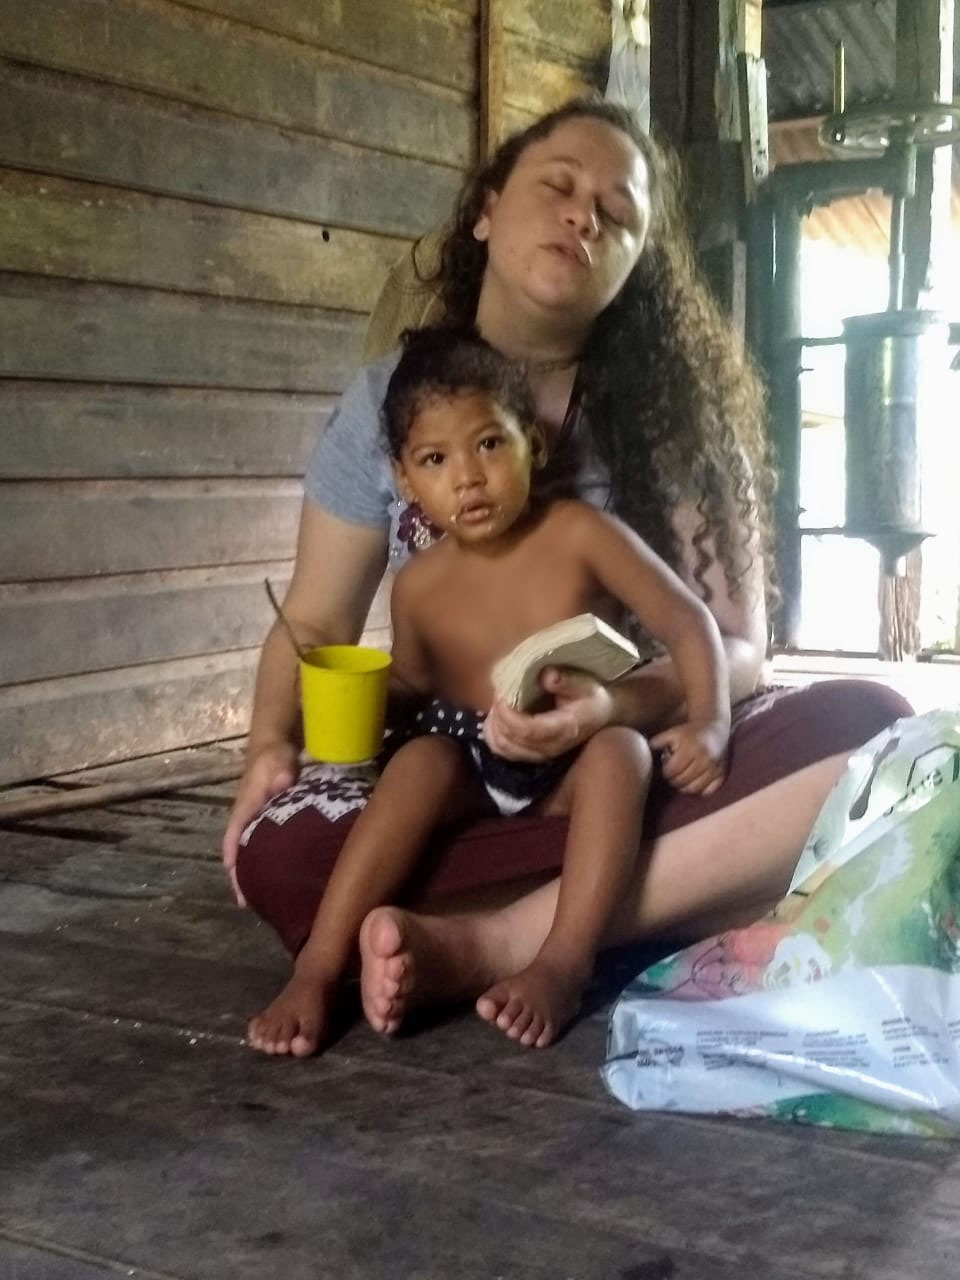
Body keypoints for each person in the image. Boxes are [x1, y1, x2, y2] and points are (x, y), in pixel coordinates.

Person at [223, 97, 913, 1058]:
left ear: (634, 266)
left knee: (871, 731)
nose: (585, 215)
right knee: (279, 851)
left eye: (619, 214)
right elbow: (313, 621)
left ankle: (493, 940)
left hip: (618, 759)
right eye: (558, 187)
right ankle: (695, 890)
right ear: (486, 211)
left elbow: (737, 646)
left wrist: (613, 708)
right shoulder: (389, 401)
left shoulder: (669, 417)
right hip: (462, 762)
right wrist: (269, 743)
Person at [248, 325, 732, 1055]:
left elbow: (689, 622)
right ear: (407, 484)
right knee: (417, 765)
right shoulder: (417, 585)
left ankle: (563, 963)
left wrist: (711, 724)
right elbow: (416, 679)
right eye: (436, 459)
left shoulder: (580, 531)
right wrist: (367, 701)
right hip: (474, 763)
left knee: (623, 758)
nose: (468, 477)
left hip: (572, 757)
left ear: (532, 446)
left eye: (489, 445)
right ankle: (318, 969)